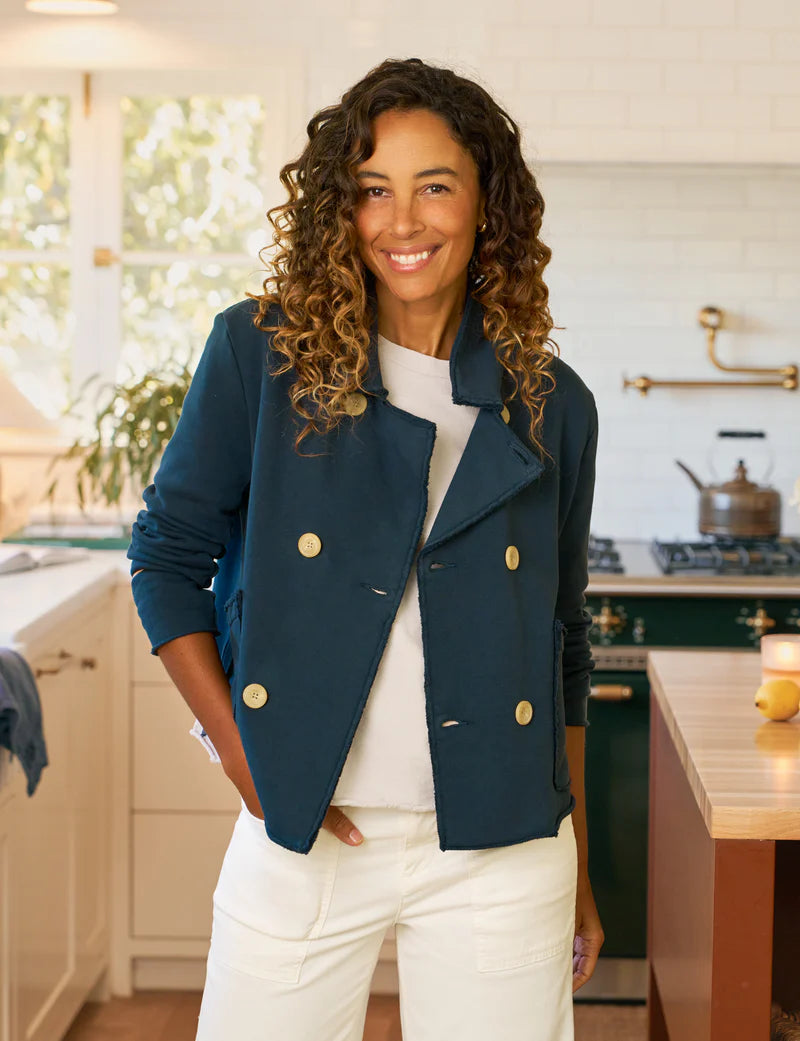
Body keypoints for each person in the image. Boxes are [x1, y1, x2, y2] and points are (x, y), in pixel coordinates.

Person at [128, 56, 604, 1041]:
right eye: (372, 191)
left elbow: (559, 645)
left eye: (434, 186)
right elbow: (166, 561)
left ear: (486, 205)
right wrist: (239, 756)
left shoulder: (551, 403)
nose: (402, 221)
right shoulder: (257, 358)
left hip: (501, 847)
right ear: (338, 210)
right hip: (301, 826)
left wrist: (581, 870)